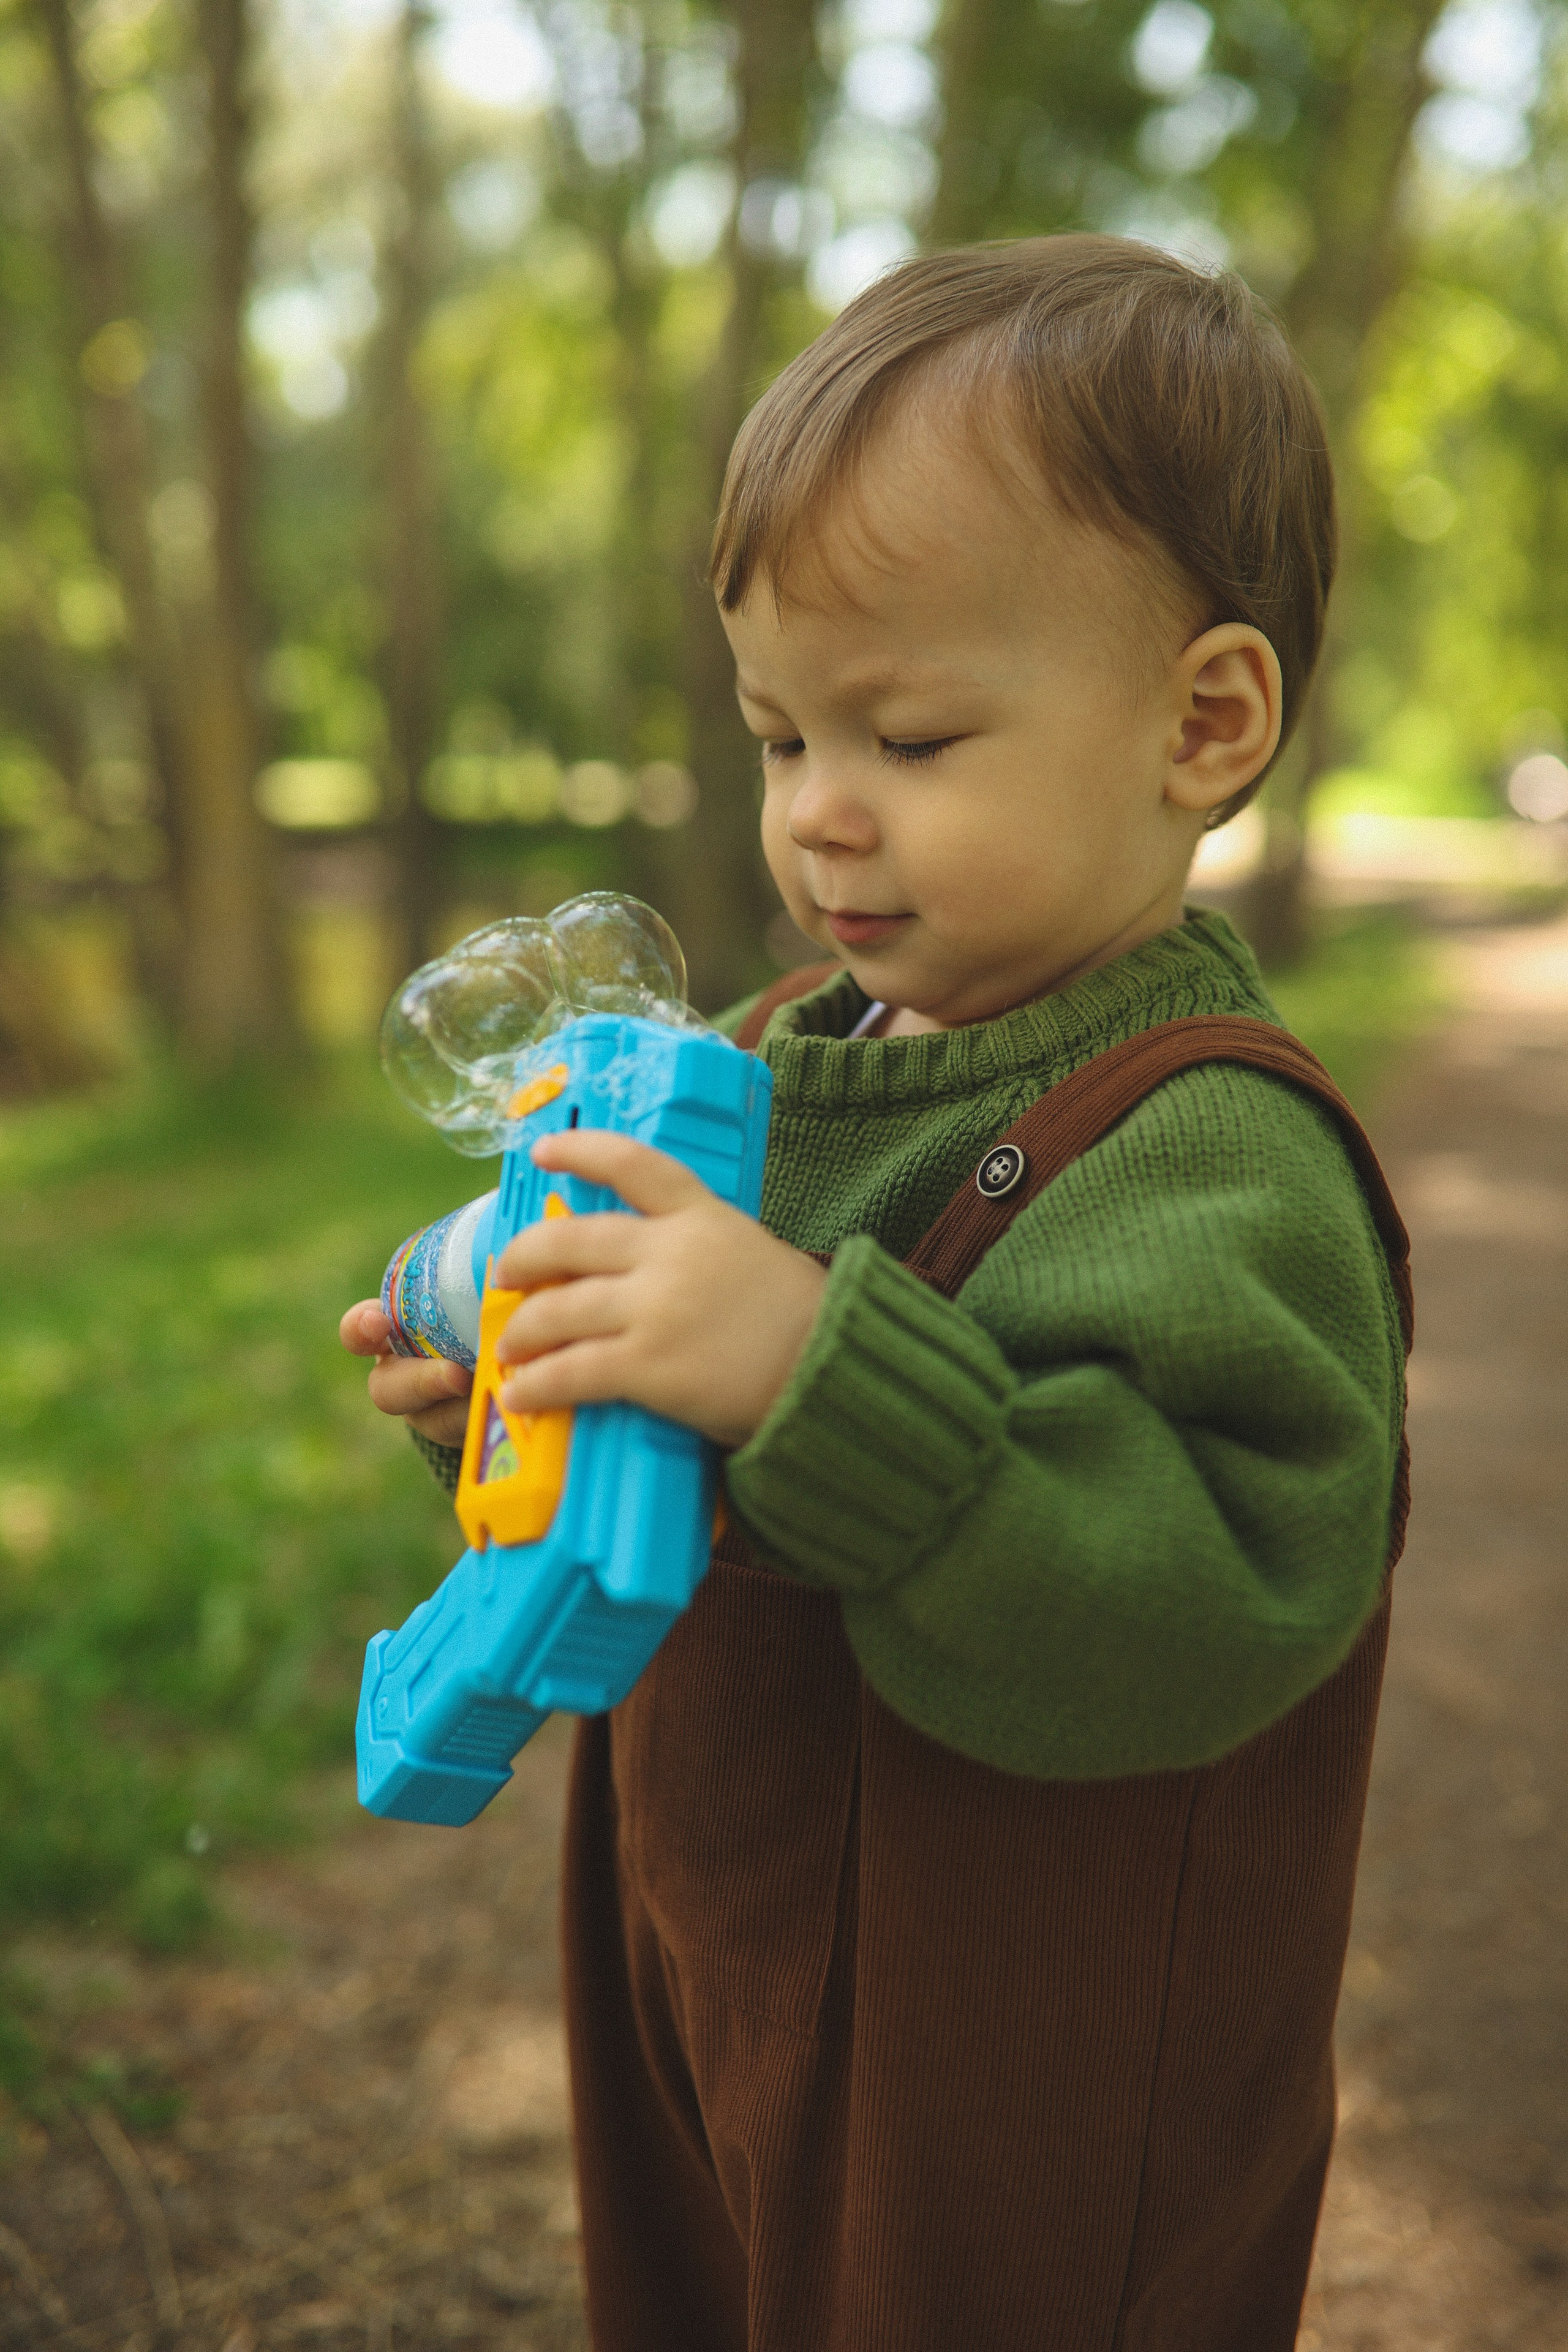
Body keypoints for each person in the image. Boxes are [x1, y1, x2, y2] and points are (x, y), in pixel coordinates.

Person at [340, 235, 1411, 2351]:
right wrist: (547, 1400)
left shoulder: (1212, 1154)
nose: (819, 812)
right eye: (778, 732)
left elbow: (1210, 1597)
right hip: (717, 1922)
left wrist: (803, 1362)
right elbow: (707, 1461)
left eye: (910, 736)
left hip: (1005, 2051)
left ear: (1203, 722)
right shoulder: (770, 1058)